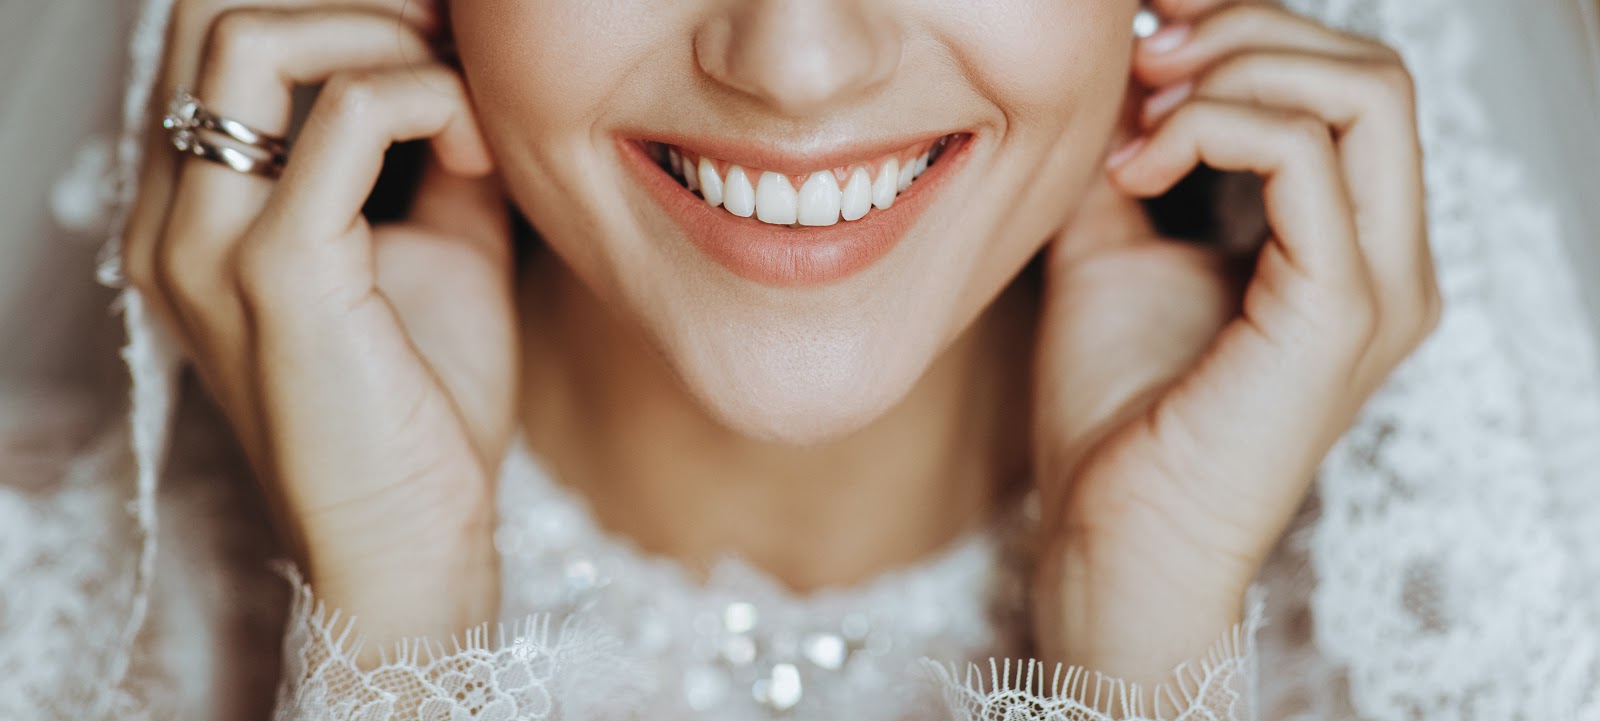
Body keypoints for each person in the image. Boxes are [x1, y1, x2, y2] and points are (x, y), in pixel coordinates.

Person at [3, 0, 1600, 719]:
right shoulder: (51, 648)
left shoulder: (1498, 653)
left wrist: (1150, 641)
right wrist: (393, 642)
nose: (794, 61)